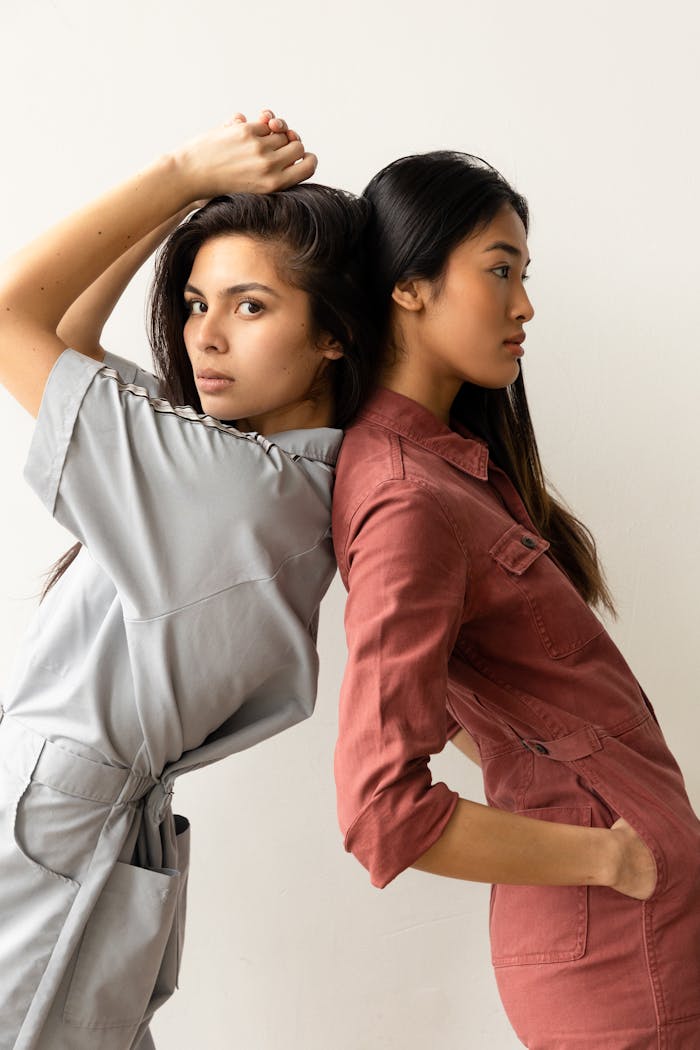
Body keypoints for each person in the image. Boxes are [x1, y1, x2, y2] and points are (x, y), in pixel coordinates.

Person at [0, 110, 377, 1049]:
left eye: (250, 307)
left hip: (51, 824)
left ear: (336, 335)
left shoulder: (229, 488)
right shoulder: (260, 477)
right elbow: (75, 343)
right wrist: (189, 212)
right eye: (196, 303)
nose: (205, 337)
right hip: (73, 826)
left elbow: (12, 316)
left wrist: (177, 176)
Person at [332, 150, 700, 1049]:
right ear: (409, 285)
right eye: (500, 271)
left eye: (523, 276)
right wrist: (611, 855)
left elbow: (472, 685)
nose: (524, 305)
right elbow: (381, 813)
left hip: (640, 931)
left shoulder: (450, 470)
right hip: (617, 945)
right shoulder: (407, 496)